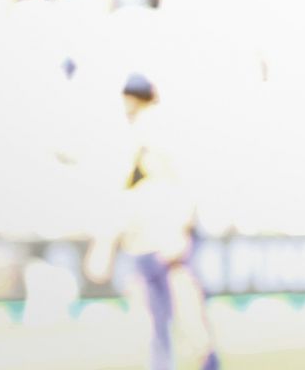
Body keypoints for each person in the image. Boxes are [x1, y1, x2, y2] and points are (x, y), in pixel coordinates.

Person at [86, 74, 221, 370]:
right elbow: (118, 192)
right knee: (151, 323)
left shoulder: (158, 130)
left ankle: (207, 364)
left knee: (187, 315)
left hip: (167, 234)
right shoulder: (129, 136)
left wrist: (181, 229)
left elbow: (184, 182)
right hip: (141, 238)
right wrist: (104, 242)